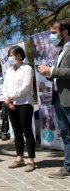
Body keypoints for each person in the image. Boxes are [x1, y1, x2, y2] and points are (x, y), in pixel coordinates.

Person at [38, 19, 70, 178]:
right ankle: (68, 166)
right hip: (58, 97)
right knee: (66, 133)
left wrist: (52, 70)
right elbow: (60, 73)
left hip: (68, 97)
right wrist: (49, 74)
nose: (51, 36)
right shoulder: (62, 49)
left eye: (53, 32)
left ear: (64, 32)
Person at [2, 45, 36, 172]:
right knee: (16, 131)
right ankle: (19, 158)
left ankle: (31, 160)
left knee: (26, 130)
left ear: (19, 56)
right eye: (9, 55)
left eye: (12, 55)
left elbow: (26, 86)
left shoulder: (27, 69)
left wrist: (11, 96)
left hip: (24, 103)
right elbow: (4, 86)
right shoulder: (9, 71)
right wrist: (7, 99)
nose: (10, 57)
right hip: (10, 104)